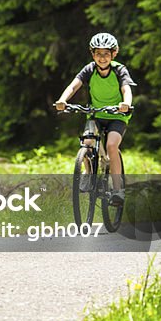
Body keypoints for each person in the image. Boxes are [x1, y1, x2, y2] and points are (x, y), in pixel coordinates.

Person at [55, 33, 135, 204]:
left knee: (112, 145)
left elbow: (126, 89)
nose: (102, 57)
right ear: (93, 54)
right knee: (87, 141)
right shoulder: (89, 69)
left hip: (117, 116)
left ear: (114, 54)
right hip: (96, 114)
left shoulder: (119, 69)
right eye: (98, 53)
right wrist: (63, 100)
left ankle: (117, 189)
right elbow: (74, 85)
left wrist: (126, 103)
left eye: (106, 53)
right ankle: (88, 173)